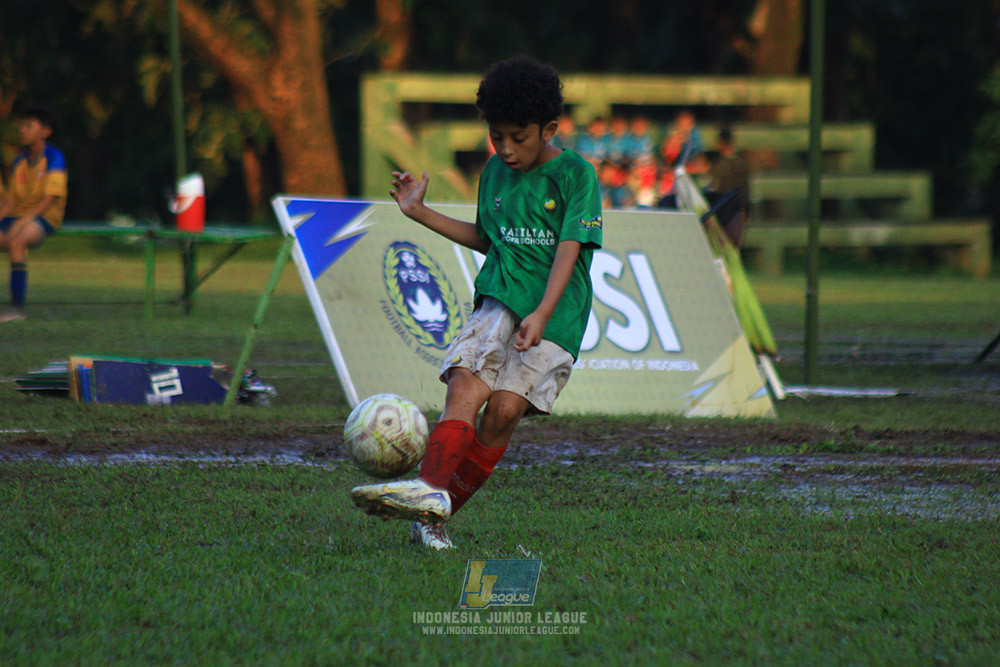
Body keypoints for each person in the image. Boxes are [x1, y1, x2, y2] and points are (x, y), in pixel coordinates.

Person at [350, 56, 603, 550]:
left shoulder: (576, 176)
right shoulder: (494, 172)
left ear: (549, 128)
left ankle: (433, 514)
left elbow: (569, 251)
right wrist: (418, 212)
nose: (506, 150)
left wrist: (543, 313)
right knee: (465, 387)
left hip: (556, 314)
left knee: (504, 413)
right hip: (497, 300)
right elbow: (491, 239)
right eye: (496, 137)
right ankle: (428, 497)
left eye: (519, 137)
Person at [0, 106, 68, 322]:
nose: (22, 130)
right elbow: (10, 200)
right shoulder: (19, 161)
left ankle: (18, 309)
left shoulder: (54, 157)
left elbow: (50, 199)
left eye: (28, 125)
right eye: (22, 125)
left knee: (18, 241)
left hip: (45, 216)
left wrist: (25, 220)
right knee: (13, 236)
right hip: (19, 216)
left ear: (45, 131)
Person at [705, 128, 751, 247]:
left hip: (723, 208)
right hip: (735, 209)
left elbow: (714, 187)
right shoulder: (741, 163)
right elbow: (746, 190)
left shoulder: (720, 165)